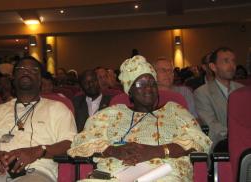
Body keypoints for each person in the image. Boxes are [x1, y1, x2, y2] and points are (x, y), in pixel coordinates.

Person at [68, 55, 211, 181]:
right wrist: (114, 150)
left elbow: (198, 140)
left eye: (152, 83)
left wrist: (156, 151)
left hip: (164, 174)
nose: (148, 88)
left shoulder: (174, 110)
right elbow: (81, 143)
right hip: (115, 175)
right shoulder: (109, 115)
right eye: (140, 84)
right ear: (129, 90)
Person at [0, 56, 77, 182]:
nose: (26, 71)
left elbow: (71, 144)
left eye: (33, 70)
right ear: (13, 79)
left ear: (40, 80)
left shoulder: (57, 108)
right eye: (21, 69)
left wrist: (38, 151)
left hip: (37, 172)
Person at [194, 47, 243, 149]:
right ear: (213, 67)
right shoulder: (202, 93)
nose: (232, 65)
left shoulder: (242, 90)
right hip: (221, 144)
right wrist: (240, 134)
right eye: (226, 61)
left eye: (233, 61)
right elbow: (211, 124)